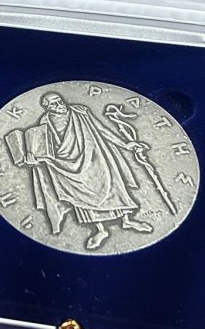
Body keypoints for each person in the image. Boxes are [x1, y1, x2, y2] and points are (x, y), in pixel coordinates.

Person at [11, 92, 153, 251]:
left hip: (93, 156)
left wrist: (125, 144)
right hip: (65, 164)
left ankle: (127, 220)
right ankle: (100, 230)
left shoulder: (80, 111)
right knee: (80, 196)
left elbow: (101, 130)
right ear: (47, 108)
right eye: (54, 104)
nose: (59, 105)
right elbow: (43, 147)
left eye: (60, 101)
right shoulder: (45, 121)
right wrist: (33, 159)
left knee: (112, 186)